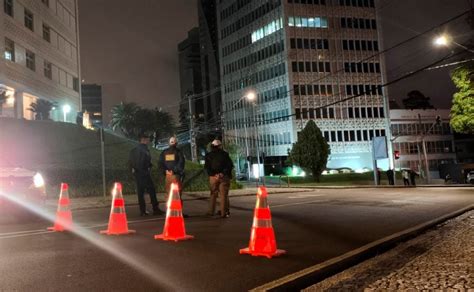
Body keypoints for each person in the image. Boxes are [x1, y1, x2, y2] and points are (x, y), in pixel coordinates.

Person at [128, 133, 163, 216]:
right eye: (147, 139)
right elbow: (144, 161)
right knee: (152, 190)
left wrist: (134, 170)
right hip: (144, 173)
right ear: (143, 140)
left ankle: (142, 211)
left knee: (140, 193)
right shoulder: (144, 149)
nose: (148, 141)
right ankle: (155, 209)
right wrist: (148, 166)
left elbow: (130, 163)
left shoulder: (133, 150)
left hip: (137, 174)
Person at [205, 139, 234, 218]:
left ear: (212, 146)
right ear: (220, 146)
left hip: (213, 178)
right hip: (223, 177)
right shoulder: (225, 154)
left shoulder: (208, 155)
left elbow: (207, 167)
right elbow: (230, 165)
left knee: (213, 194)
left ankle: (211, 212)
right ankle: (224, 213)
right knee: (224, 195)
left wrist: (214, 174)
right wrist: (222, 174)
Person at [158, 136, 187, 215]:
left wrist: (165, 171)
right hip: (176, 176)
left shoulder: (164, 152)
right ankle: (178, 212)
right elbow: (181, 164)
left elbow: (160, 164)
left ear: (169, 143)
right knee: (177, 194)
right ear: (176, 143)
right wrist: (174, 171)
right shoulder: (179, 152)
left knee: (168, 194)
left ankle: (168, 212)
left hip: (167, 176)